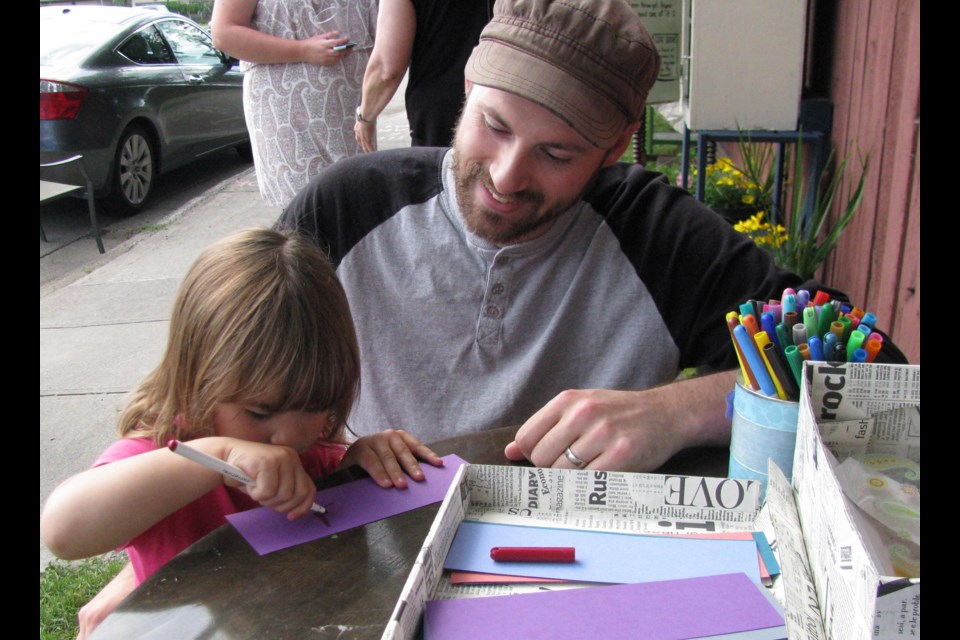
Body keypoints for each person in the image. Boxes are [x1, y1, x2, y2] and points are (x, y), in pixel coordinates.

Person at [276, 0, 887, 475]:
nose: (508, 175)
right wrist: (325, 452)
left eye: (557, 153)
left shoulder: (658, 238)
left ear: (614, 147)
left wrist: (674, 412)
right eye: (494, 125)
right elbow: (213, 393)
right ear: (467, 88)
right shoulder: (346, 207)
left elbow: (875, 374)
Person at [40, 229, 442, 638]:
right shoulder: (165, 456)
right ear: (198, 378)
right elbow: (62, 531)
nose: (287, 437)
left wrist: (357, 467)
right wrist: (218, 455)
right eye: (258, 412)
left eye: (314, 406)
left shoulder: (313, 458)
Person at [211, 0, 377, 207]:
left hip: (351, 112)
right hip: (286, 110)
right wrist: (302, 50)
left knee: (356, 202)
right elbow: (223, 33)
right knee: (304, 211)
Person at [354, 0, 492, 151]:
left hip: (439, 114)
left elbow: (387, 68)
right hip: (499, 96)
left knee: (448, 173)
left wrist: (365, 116)